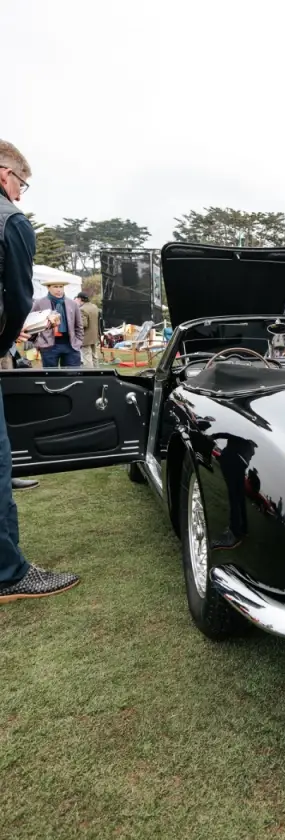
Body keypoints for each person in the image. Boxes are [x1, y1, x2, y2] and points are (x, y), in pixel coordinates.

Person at [0, 139, 79, 602]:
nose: (21, 195)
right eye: (21, 183)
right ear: (4, 174)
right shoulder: (10, 220)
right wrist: (9, 342)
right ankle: (9, 573)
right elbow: (14, 298)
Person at [30, 277, 84, 367]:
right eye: (55, 287)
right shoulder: (39, 303)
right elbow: (31, 324)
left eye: (61, 286)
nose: (59, 290)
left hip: (70, 345)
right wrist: (37, 342)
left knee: (72, 375)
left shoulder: (72, 303)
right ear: (48, 287)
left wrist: (78, 342)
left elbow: (79, 325)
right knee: (51, 377)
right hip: (48, 346)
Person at [74, 292, 100, 367]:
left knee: (87, 357)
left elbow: (83, 324)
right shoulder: (94, 306)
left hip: (86, 337)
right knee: (94, 355)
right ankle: (97, 372)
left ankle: (90, 374)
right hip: (94, 336)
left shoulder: (82, 309)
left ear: (79, 299)